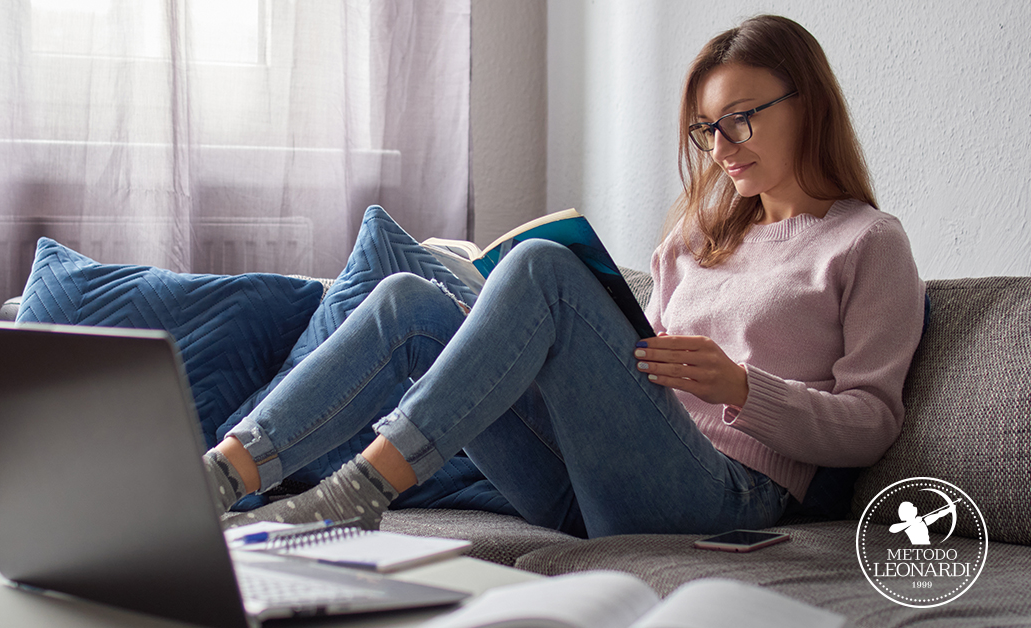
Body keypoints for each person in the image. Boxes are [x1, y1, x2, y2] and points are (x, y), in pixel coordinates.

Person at [201, 14, 925, 539]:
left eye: (740, 119)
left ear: (809, 104)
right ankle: (218, 477)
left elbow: (871, 425)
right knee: (408, 302)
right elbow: (634, 377)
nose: (720, 147)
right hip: (592, 481)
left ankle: (360, 490)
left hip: (728, 493)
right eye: (706, 129)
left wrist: (741, 387)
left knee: (544, 267)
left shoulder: (866, 243)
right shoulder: (694, 240)